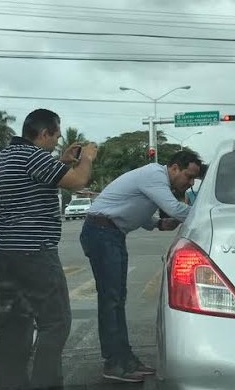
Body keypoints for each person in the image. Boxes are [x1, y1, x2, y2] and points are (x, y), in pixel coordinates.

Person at [0, 108, 98, 390]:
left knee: (17, 324)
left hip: (6, 252)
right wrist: (86, 157)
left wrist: (61, 161)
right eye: (56, 136)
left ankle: (12, 384)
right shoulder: (34, 157)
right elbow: (78, 181)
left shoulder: (6, 157)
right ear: (43, 134)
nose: (57, 141)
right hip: (35, 253)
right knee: (56, 323)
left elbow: (34, 181)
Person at [79, 150, 202, 383]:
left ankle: (124, 359)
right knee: (111, 300)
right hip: (102, 233)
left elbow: (139, 209)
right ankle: (114, 363)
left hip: (109, 234)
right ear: (174, 168)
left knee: (116, 300)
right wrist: (208, 211)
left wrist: (157, 224)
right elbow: (176, 209)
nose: (190, 183)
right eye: (188, 176)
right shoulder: (155, 175)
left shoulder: (153, 180)